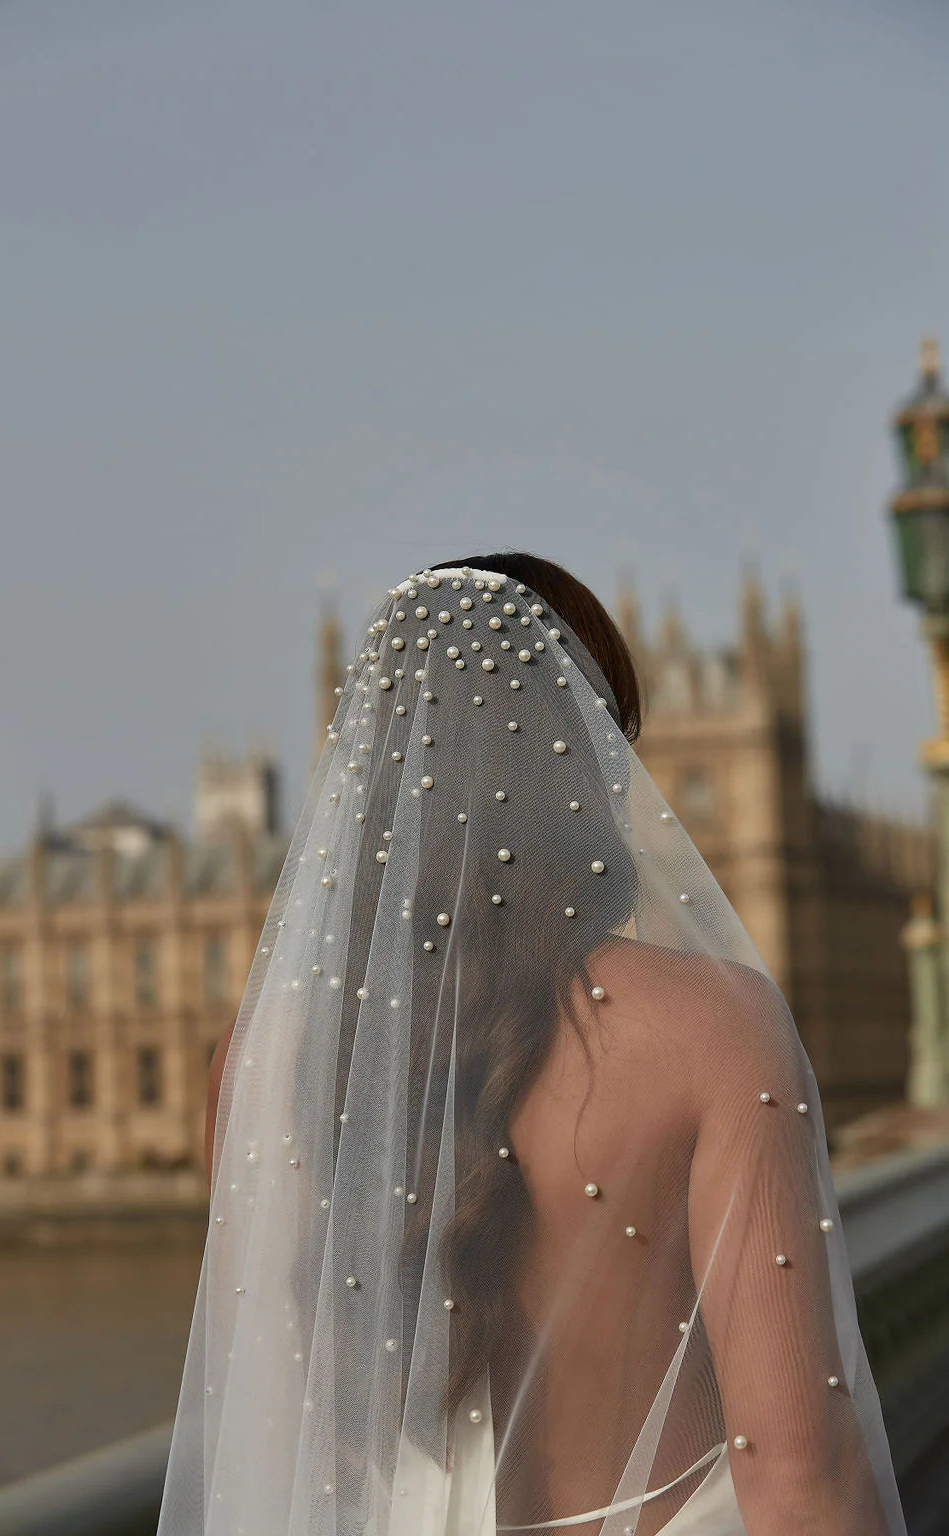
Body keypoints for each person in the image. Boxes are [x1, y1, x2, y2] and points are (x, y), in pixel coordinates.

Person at [159, 553, 906, 1535]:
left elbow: (262, 1447)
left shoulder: (256, 1058)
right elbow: (802, 1476)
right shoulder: (713, 1028)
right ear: (579, 761)